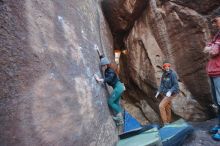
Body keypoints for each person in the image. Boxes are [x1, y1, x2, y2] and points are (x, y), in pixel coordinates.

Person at [203, 8, 220, 141]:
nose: (214, 24)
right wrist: (211, 47)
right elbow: (208, 48)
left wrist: (211, 47)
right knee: (217, 102)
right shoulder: (217, 35)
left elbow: (213, 51)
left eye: (216, 20)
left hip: (219, 72)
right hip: (214, 72)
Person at [94, 56, 125, 126]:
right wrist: (100, 56)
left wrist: (99, 79)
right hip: (118, 87)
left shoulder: (110, 70)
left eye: (103, 65)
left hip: (118, 87)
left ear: (106, 65)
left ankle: (120, 118)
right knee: (116, 103)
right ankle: (119, 120)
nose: (102, 67)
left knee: (110, 102)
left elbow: (109, 79)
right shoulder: (108, 70)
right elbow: (103, 57)